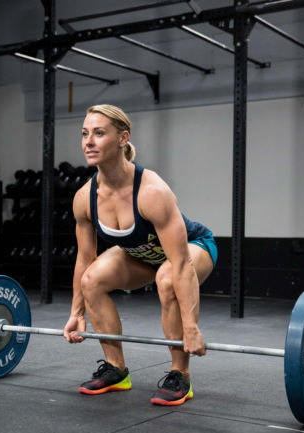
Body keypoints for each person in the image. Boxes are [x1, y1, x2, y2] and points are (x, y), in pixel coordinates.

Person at [63, 104, 218, 406]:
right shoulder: (84, 198)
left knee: (167, 278)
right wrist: (76, 313)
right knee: (92, 279)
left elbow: (181, 265)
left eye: (98, 133)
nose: (88, 142)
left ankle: (180, 375)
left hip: (194, 249)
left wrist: (191, 328)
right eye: (84, 134)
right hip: (144, 255)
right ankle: (116, 370)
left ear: (123, 138)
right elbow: (84, 260)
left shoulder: (152, 192)